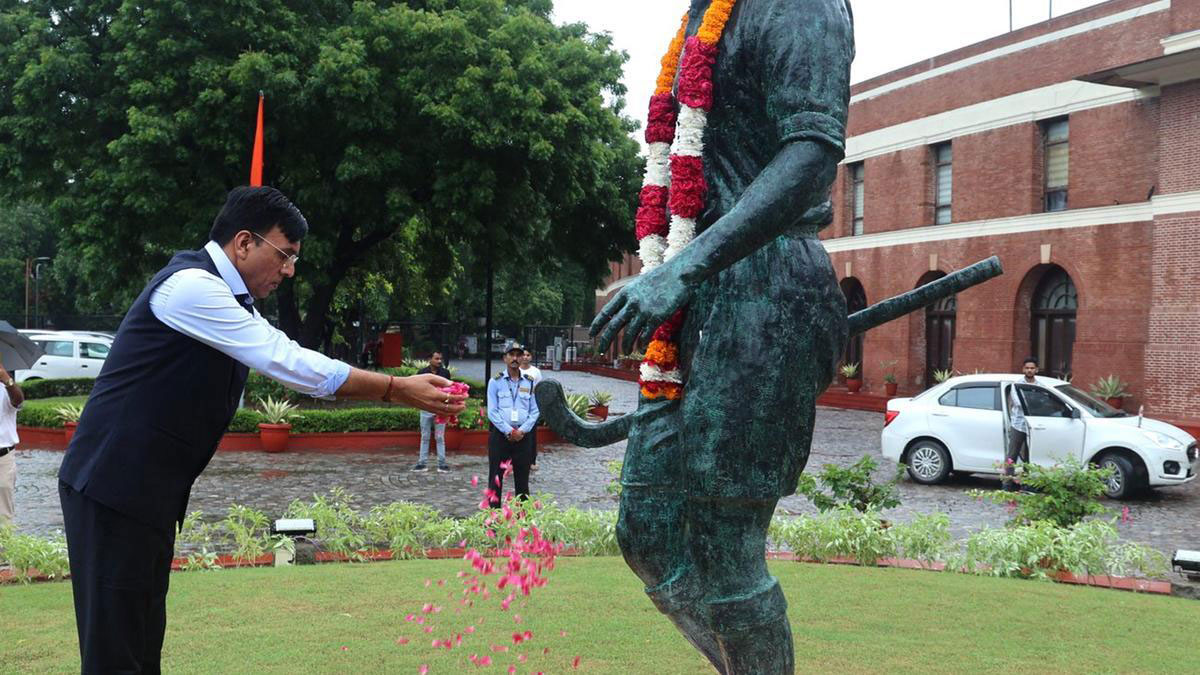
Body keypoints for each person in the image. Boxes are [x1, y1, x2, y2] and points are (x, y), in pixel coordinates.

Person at [56, 186, 467, 674]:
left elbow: (287, 352)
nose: (290, 270)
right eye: (285, 254)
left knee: (142, 644)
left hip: (145, 494)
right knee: (115, 653)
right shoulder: (190, 287)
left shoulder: (234, 301)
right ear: (244, 242)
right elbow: (288, 362)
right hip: (111, 487)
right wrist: (396, 387)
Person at [585, 1, 854, 671]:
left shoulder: (799, 5)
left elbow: (813, 155)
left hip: (767, 295)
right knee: (646, 531)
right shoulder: (702, 15)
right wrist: (677, 271)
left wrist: (687, 266)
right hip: (696, 297)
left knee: (728, 546)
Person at [485, 344, 539, 507]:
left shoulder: (530, 382)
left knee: (522, 482)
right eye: (511, 355)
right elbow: (492, 411)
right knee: (495, 479)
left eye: (518, 355)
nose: (515, 358)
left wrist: (521, 431)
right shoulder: (495, 382)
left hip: (523, 437)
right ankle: (492, 521)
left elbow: (535, 410)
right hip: (501, 436)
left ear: (523, 358)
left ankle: (524, 522)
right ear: (505, 358)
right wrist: (509, 430)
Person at [413, 350, 453, 473]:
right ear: (429, 359)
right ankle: (422, 463)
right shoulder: (421, 373)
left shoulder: (445, 373)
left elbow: (450, 390)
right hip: (425, 408)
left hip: (440, 409)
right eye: (436, 359)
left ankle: (442, 464)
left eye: (440, 359)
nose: (439, 361)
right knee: (425, 437)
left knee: (440, 437)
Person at [1004, 357, 1038, 491]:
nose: (1029, 370)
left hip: (1034, 426)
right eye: (1027, 368)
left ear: (1036, 370)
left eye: (1032, 368)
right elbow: (1019, 403)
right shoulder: (1016, 385)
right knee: (1012, 455)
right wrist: (1035, 402)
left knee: (1030, 456)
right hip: (1018, 424)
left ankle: (1026, 484)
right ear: (1023, 369)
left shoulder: (1039, 385)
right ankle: (1006, 484)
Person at [0, 357, 24, 524]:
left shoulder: (5, 390)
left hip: (3, 458)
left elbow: (18, 400)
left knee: (4, 513)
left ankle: (5, 550)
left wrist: (6, 379)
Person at [519, 347, 543, 471]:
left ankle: (531, 460)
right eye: (523, 355)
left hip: (531, 406)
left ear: (531, 357)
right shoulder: (515, 370)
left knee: (531, 435)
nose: (525, 357)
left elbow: (539, 389)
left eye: (528, 355)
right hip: (517, 406)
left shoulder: (536, 372)